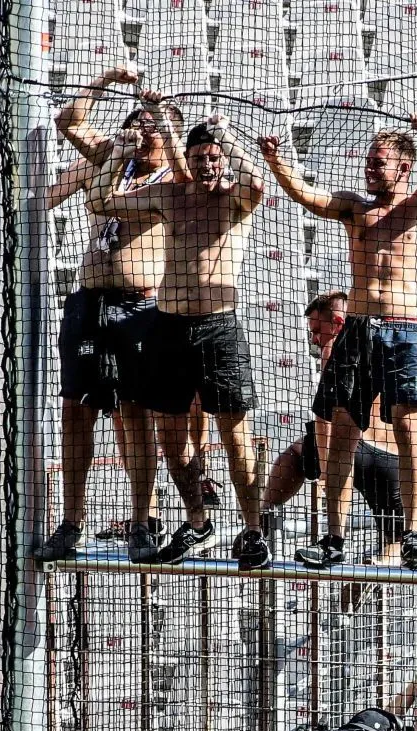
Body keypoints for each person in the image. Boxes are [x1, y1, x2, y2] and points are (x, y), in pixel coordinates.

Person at [267, 115, 417, 572]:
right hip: (360, 329)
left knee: (409, 429)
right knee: (340, 433)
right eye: (368, 161)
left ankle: (414, 533)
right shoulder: (355, 208)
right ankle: (333, 537)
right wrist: (276, 161)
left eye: (379, 162)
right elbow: (311, 197)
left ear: (404, 167)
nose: (369, 169)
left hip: (405, 328)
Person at [96, 114, 270, 568]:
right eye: (200, 158)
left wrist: (227, 137)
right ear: (187, 161)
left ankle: (252, 531)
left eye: (214, 157)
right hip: (167, 328)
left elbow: (259, 184)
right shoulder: (169, 195)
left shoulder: (235, 200)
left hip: (219, 328)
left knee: (236, 437)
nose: (209, 165)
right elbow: (102, 201)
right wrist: (120, 150)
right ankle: (198, 522)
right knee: (171, 438)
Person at [37, 67, 181, 564]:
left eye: (152, 129)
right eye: (136, 126)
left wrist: (157, 110)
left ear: (169, 136)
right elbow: (70, 121)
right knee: (76, 409)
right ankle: (71, 521)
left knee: (133, 411)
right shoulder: (112, 160)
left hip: (138, 307)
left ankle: (143, 519)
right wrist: (105, 81)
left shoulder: (172, 181)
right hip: (88, 302)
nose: (142, 136)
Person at [261, 291, 405, 563]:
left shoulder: (336, 348)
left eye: (317, 330)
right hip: (394, 462)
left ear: (338, 322)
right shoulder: (385, 340)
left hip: (354, 450)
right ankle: (362, 588)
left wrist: (328, 472)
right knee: (391, 548)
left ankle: (259, 520)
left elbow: (326, 419)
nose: (314, 340)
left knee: (295, 453)